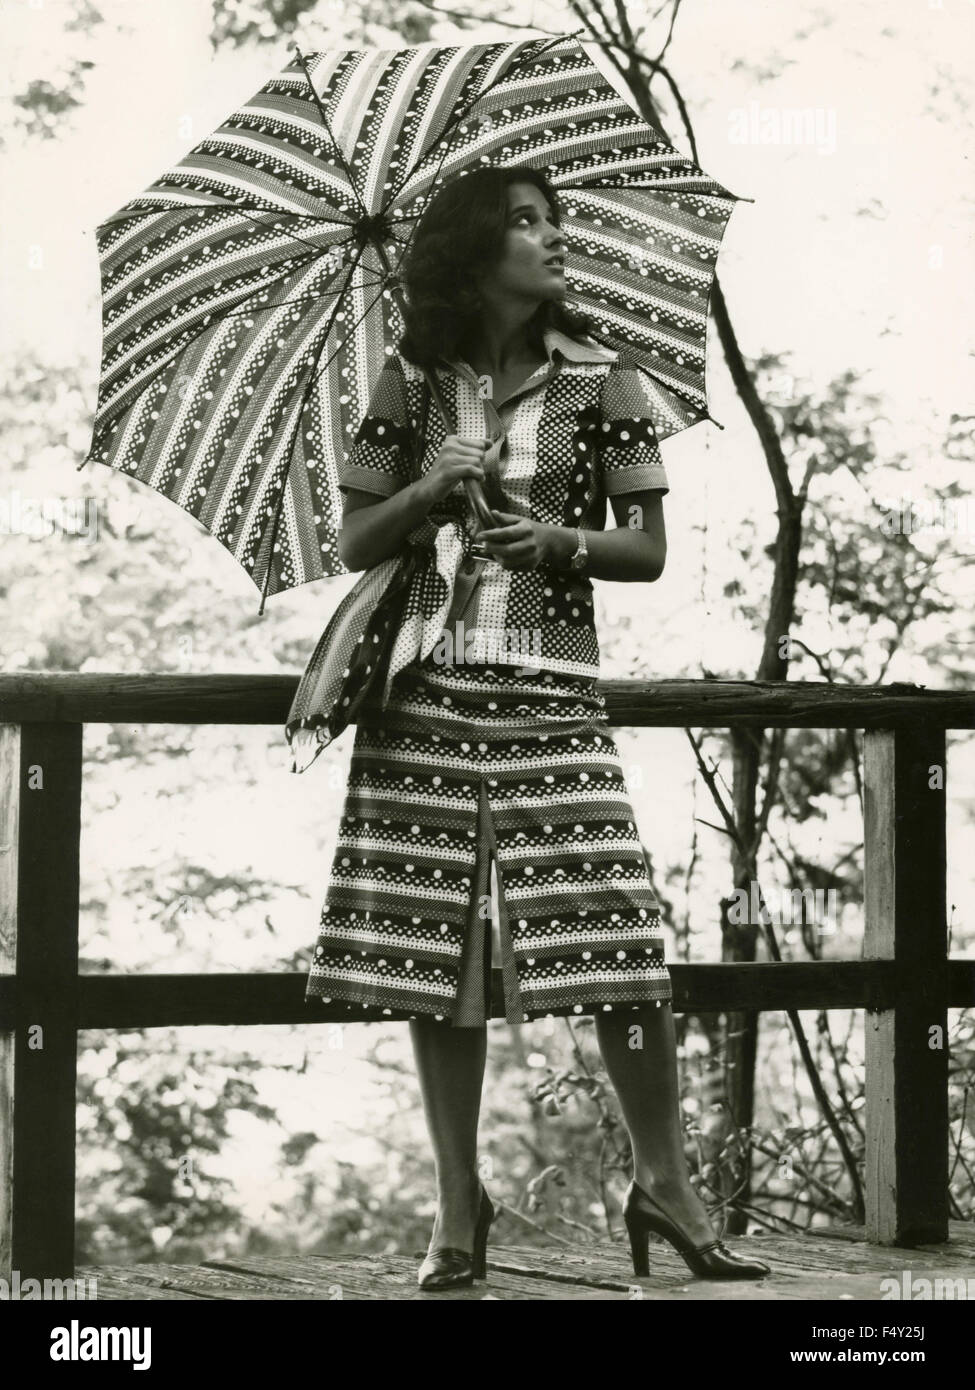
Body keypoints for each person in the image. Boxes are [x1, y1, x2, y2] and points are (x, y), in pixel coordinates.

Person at [304, 165, 769, 1289]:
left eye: (554, 222)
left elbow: (648, 551)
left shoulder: (609, 381)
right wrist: (429, 490)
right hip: (422, 691)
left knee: (613, 928)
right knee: (432, 948)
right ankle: (459, 1208)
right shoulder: (408, 384)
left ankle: (666, 1183)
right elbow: (357, 536)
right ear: (474, 251)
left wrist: (555, 544)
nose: (552, 239)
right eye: (525, 224)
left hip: (552, 690)